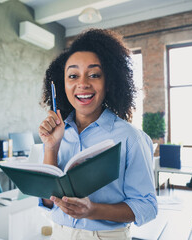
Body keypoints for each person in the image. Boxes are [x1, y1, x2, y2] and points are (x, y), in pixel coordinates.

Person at [38, 28, 157, 240]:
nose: (82, 83)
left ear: (109, 81)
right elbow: (48, 201)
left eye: (94, 75)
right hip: (59, 233)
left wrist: (92, 210)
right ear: (62, 84)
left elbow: (147, 206)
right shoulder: (57, 132)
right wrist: (51, 147)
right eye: (73, 75)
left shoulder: (130, 137)